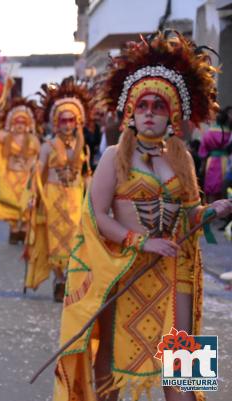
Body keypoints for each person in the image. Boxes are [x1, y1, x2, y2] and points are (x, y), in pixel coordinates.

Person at [52, 32, 232, 401]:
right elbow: (96, 214)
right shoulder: (114, 156)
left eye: (159, 105)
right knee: (112, 362)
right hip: (126, 269)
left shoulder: (181, 157)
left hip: (176, 271)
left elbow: (187, 213)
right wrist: (141, 241)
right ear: (131, 112)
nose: (149, 112)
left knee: (182, 360)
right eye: (143, 105)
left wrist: (209, 211)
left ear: (173, 114)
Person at [24, 77, 91, 301]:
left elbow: (85, 174)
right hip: (52, 197)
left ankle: (69, 279)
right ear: (56, 122)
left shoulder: (83, 145)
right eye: (63, 120)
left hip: (74, 196)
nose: (67, 124)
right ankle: (59, 279)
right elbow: (38, 172)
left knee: (74, 239)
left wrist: (93, 198)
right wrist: (34, 196)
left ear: (78, 121)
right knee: (55, 241)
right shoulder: (47, 146)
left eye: (72, 120)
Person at [0, 94, 41, 245]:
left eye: (23, 123)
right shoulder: (6, 137)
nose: (20, 125)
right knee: (11, 202)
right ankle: (13, 229)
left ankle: (24, 229)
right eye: (17, 122)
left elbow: (37, 156)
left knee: (25, 204)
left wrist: (33, 168)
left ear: (28, 124)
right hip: (10, 175)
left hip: (26, 177)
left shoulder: (33, 140)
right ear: (11, 123)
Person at [199, 106, 231, 203]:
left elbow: (203, 149)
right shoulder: (229, 133)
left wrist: (202, 166)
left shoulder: (209, 132)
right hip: (227, 161)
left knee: (211, 186)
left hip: (212, 161)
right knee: (224, 187)